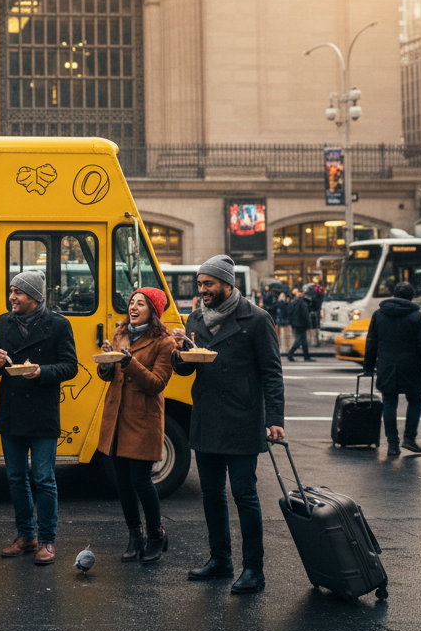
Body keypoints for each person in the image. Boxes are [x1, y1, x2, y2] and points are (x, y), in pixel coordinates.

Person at [171, 254, 285, 596]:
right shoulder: (194, 319)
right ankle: (220, 560)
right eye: (200, 284)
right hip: (205, 416)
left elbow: (271, 373)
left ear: (227, 284)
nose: (202, 289)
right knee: (211, 494)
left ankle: (254, 568)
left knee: (244, 494)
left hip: (242, 417)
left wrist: (275, 419)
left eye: (208, 284)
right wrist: (180, 353)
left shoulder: (257, 318)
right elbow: (186, 370)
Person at [0, 271, 79, 565]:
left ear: (34, 297)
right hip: (11, 412)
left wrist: (42, 372)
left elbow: (70, 366)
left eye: (17, 293)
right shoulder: (3, 322)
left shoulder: (59, 325)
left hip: (42, 411)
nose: (11, 297)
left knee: (44, 478)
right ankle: (26, 536)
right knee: (15, 478)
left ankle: (47, 541)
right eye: (11, 291)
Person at [96, 287, 176, 564]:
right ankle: (135, 535)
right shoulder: (121, 333)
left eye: (140, 303)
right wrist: (106, 363)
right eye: (131, 302)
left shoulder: (164, 343)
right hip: (117, 417)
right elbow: (110, 377)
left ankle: (156, 534)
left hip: (143, 419)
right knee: (122, 482)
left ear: (153, 311)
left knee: (141, 480)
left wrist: (128, 362)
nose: (133, 306)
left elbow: (157, 383)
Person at [363, 281, 421, 456]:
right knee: (415, 400)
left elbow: (371, 342)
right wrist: (419, 362)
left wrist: (369, 366)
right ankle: (409, 438)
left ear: (393, 294)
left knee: (389, 403)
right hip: (411, 364)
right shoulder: (416, 316)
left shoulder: (379, 314)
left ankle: (393, 444)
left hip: (387, 364)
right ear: (411, 297)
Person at [286, 288, 312, 362]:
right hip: (302, 324)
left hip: (296, 323)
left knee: (303, 340)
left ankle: (306, 356)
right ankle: (290, 353)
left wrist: (292, 323)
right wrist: (308, 324)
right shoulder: (303, 303)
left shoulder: (294, 302)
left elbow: (289, 313)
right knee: (299, 340)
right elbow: (305, 315)